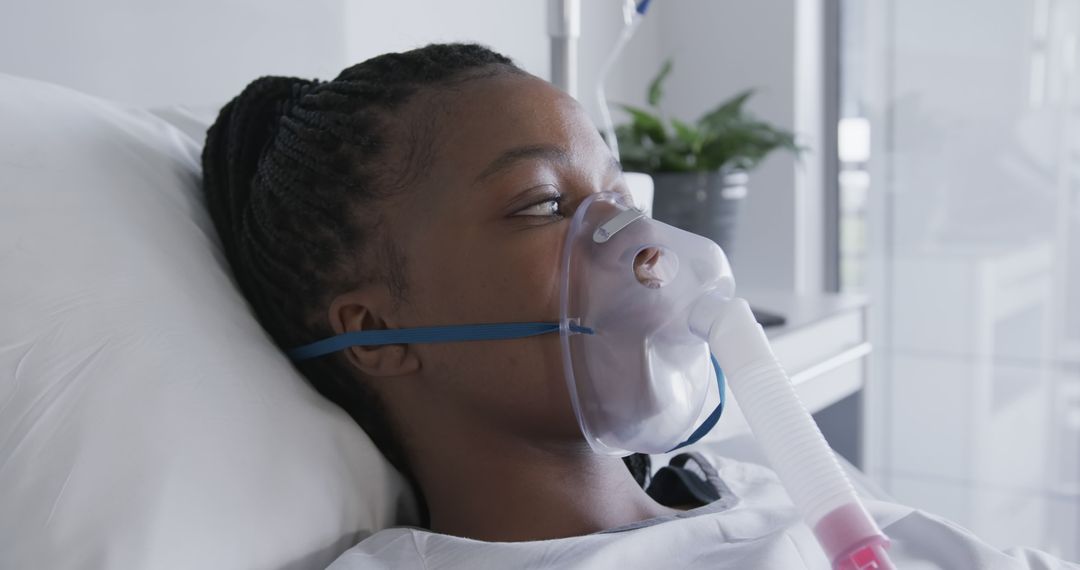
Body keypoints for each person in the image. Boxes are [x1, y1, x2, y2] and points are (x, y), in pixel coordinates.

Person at [201, 43, 1078, 569]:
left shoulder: (764, 487)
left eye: (620, 195)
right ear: (376, 329)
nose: (642, 244)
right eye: (545, 203)